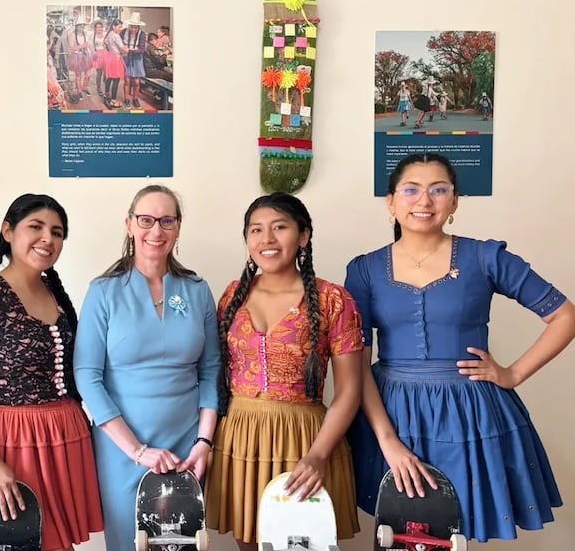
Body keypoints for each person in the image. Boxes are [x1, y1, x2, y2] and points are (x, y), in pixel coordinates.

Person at [345, 152, 575, 542]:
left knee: (457, 531)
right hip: (391, 413)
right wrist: (388, 441)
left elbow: (564, 316)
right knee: (401, 531)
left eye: (439, 190)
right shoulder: (364, 269)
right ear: (391, 201)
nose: (424, 201)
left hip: (468, 413)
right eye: (411, 190)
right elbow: (357, 362)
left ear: (454, 202)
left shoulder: (485, 257)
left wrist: (513, 373)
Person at [206, 193, 362, 548]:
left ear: (303, 235)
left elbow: (350, 391)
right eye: (256, 230)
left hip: (305, 440)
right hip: (240, 437)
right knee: (249, 541)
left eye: (280, 227)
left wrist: (319, 454)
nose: (267, 239)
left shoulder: (333, 300)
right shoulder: (232, 296)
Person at [74, 184, 222, 551]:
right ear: (129, 225)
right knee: (129, 542)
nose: (156, 231)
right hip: (123, 450)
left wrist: (204, 442)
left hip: (188, 448)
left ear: (178, 227)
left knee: (183, 544)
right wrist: (137, 450)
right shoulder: (103, 291)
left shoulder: (197, 290)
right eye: (146, 219)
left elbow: (211, 370)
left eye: (166, 220)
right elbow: (87, 376)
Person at [0, 193, 103, 550]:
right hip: (12, 442)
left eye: (57, 232)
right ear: (8, 231)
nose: (48, 239)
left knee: (58, 544)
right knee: (20, 539)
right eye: (35, 227)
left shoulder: (56, 294)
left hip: (64, 435)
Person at [120, 12, 146, 108]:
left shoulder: (142, 34)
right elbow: (119, 44)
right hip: (126, 57)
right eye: (132, 27)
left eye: (135, 27)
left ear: (138, 27)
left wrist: (131, 50)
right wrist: (122, 49)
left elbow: (142, 49)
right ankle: (126, 98)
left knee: (136, 82)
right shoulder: (123, 32)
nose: (133, 29)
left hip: (137, 58)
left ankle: (135, 98)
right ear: (129, 25)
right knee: (127, 80)